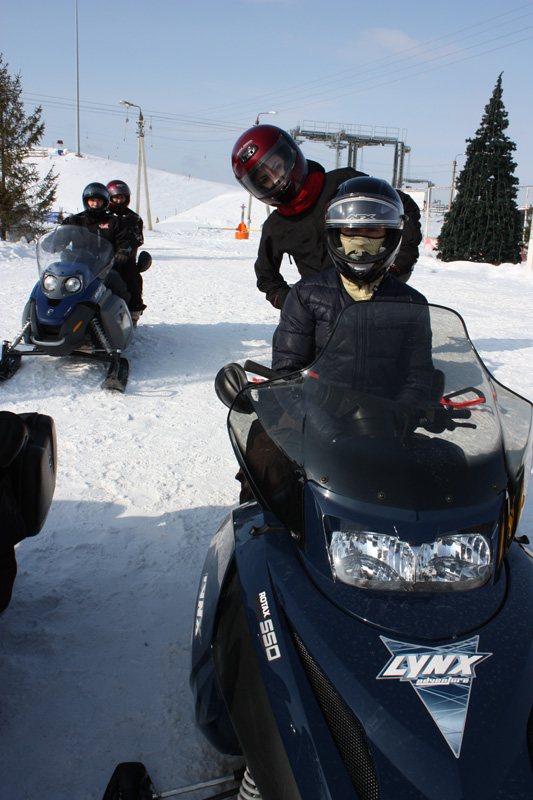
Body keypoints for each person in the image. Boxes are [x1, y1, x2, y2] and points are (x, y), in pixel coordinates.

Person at [272, 177, 433, 406]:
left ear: (390, 235)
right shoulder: (306, 295)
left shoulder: (410, 302)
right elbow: (287, 372)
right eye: (351, 230)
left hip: (383, 419)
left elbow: (418, 376)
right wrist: (316, 418)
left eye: (372, 230)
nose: (360, 240)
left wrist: (399, 414)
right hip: (315, 415)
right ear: (336, 233)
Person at [231, 125, 422, 310]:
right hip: (324, 315)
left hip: (378, 298)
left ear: (290, 155)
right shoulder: (276, 226)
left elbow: (402, 207)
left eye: (277, 167)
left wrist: (399, 264)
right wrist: (296, 303)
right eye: (264, 179)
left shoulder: (343, 184)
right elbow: (266, 277)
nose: (276, 179)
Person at [61, 182, 135, 309]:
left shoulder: (113, 221)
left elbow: (124, 239)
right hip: (77, 266)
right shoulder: (75, 220)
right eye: (92, 200)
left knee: (116, 282)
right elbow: (61, 235)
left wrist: (123, 250)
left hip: (104, 267)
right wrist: (53, 244)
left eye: (99, 201)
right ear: (86, 201)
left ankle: (123, 313)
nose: (95, 204)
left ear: (105, 202)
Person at [106, 180, 147, 318]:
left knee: (132, 276)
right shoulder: (103, 215)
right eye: (116, 198)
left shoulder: (134, 217)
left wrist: (126, 247)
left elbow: (138, 239)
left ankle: (134, 310)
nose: (119, 201)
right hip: (102, 256)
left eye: (122, 198)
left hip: (124, 258)